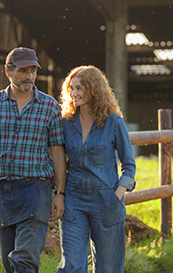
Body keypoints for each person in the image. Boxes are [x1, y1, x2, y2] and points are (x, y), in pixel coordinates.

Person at [0, 47, 66, 273]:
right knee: (10, 263)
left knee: (24, 258)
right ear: (8, 72)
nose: (29, 76)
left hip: (36, 189)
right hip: (3, 191)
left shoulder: (49, 106)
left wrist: (59, 193)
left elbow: (58, 152)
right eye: (23, 71)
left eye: (33, 71)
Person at [57, 65, 136, 273]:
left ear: (94, 89)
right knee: (71, 266)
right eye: (71, 89)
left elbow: (129, 166)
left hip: (106, 200)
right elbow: (56, 158)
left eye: (79, 88)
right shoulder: (66, 123)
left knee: (108, 269)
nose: (74, 94)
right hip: (73, 200)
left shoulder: (114, 122)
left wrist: (116, 195)